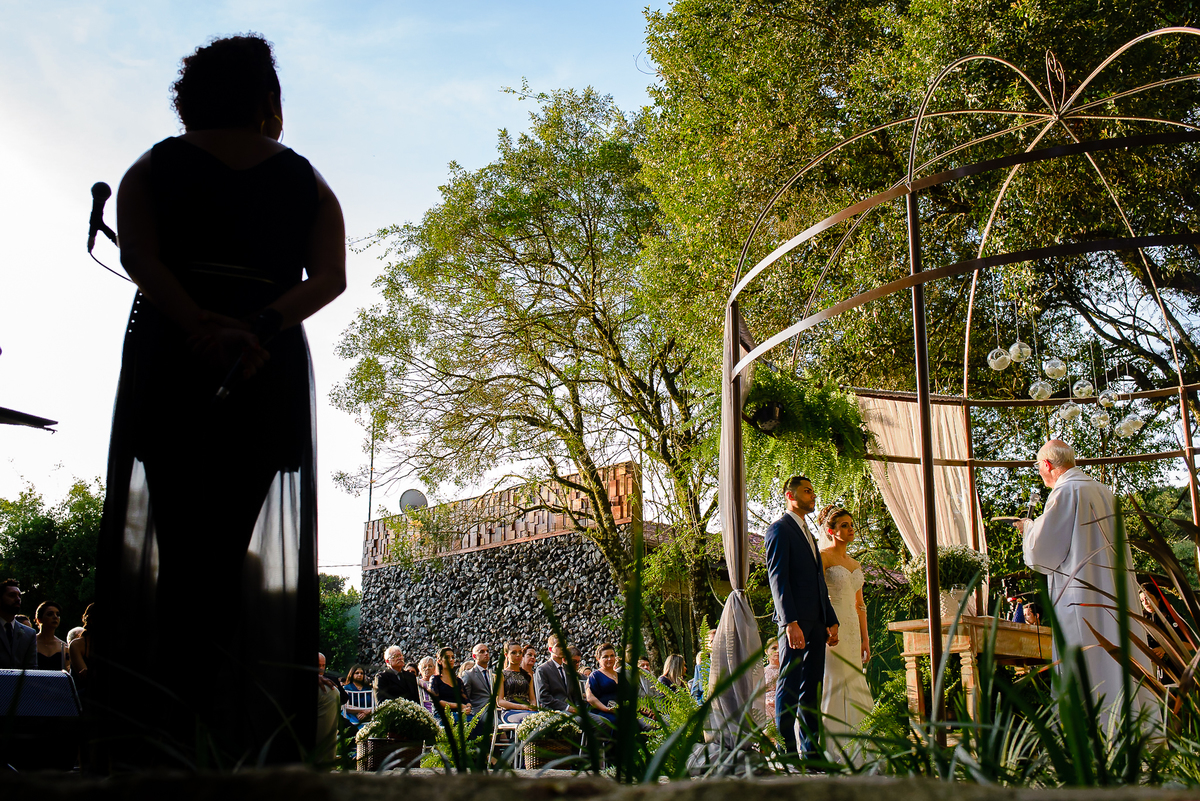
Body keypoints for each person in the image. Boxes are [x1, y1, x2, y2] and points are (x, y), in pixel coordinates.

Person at [93, 34, 346, 765]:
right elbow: (329, 276)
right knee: (228, 552)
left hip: (174, 361)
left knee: (179, 552)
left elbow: (137, 254)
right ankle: (233, 736)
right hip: (263, 370)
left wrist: (199, 322)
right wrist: (258, 324)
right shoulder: (304, 178)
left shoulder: (154, 165)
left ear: (191, 97)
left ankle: (160, 731)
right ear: (268, 99)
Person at [1017, 440, 1151, 723]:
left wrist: (1027, 529)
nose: (1039, 473)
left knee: (1087, 663)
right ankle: (1132, 725)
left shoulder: (1065, 492)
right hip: (1114, 595)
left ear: (1048, 465)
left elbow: (1042, 553)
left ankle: (1093, 733)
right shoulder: (1102, 491)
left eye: (1038, 466)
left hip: (1080, 597)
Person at [765, 475, 839, 760]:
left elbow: (819, 582)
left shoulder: (809, 533)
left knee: (813, 687)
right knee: (790, 683)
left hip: (818, 621)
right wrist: (789, 622)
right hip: (795, 622)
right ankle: (786, 750)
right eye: (807, 491)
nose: (812, 495)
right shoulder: (779, 530)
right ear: (790, 495)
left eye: (813, 491)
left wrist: (831, 619)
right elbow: (778, 579)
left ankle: (811, 752)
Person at [817, 505, 874, 764]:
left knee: (855, 680)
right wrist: (827, 624)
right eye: (843, 526)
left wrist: (865, 638)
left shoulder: (855, 563)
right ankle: (834, 750)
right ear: (831, 531)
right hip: (833, 627)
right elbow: (818, 596)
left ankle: (862, 749)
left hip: (852, 627)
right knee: (835, 681)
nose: (850, 529)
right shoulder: (824, 556)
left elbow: (859, 605)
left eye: (851, 525)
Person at [533, 634, 578, 712]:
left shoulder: (569, 670)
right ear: (550, 649)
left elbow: (576, 694)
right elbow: (544, 697)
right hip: (555, 711)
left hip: (575, 711)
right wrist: (567, 708)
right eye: (559, 646)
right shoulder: (542, 670)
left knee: (602, 721)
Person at [496, 641, 537, 724]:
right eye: (513, 653)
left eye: (520, 652)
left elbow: (532, 699)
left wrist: (532, 706)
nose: (518, 655)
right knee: (529, 720)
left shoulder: (528, 675)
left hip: (528, 710)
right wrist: (521, 707)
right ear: (506, 655)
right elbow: (499, 701)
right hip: (510, 711)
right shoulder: (502, 675)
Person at [0, 580, 37, 670]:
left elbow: (31, 668)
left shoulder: (29, 633)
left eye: (19, 596)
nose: (18, 599)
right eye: (12, 595)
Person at [429, 647, 471, 720]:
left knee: (478, 723)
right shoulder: (435, 679)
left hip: (459, 714)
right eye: (447, 657)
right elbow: (436, 701)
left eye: (452, 657)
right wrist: (457, 705)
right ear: (439, 661)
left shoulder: (458, 681)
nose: (451, 660)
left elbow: (466, 700)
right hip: (442, 715)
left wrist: (468, 707)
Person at [585, 643, 620, 728]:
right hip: (602, 710)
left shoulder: (621, 676)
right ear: (598, 659)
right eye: (605, 657)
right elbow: (590, 698)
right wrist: (606, 709)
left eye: (612, 656)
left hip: (621, 710)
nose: (609, 659)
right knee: (616, 721)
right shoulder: (595, 676)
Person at [34, 601, 69, 671]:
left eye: (58, 614)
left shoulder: (64, 646)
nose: (55, 617)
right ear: (39, 619)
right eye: (50, 614)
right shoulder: (30, 643)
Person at [763, 640, 780, 721]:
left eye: (780, 648)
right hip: (765, 705)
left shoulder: (790, 671)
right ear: (766, 651)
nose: (778, 651)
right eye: (774, 648)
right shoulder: (761, 672)